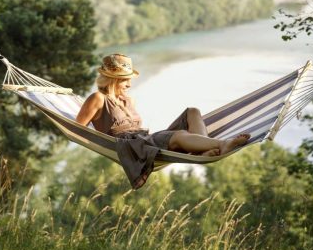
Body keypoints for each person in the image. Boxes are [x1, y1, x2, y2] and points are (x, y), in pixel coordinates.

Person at [76, 53, 250, 189]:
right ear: (112, 79)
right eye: (125, 80)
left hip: (146, 139)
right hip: (133, 146)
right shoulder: (98, 98)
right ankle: (221, 144)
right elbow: (77, 129)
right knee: (179, 135)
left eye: (129, 79)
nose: (129, 84)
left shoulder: (129, 100)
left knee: (192, 112)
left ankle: (201, 153)